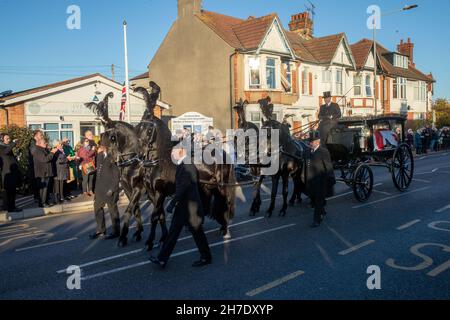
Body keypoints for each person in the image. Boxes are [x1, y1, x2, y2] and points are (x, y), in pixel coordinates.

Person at [149, 141, 212, 268]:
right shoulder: (183, 164)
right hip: (184, 207)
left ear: (181, 151)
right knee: (173, 232)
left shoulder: (187, 165)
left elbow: (183, 188)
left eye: (174, 151)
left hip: (191, 207)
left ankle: (206, 257)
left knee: (198, 233)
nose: (172, 153)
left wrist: (172, 204)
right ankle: (162, 259)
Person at [89, 144, 121, 240]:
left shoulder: (113, 157)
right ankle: (100, 230)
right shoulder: (99, 156)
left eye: (100, 146)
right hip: (100, 189)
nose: (98, 148)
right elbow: (99, 171)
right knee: (97, 208)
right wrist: (89, 169)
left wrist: (112, 189)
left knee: (113, 211)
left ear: (105, 147)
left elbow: (116, 175)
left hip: (110, 189)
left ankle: (116, 231)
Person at [305, 131, 335, 228]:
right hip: (310, 181)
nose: (310, 143)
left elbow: (328, 166)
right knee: (314, 200)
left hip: (321, 182)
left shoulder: (323, 152)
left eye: (312, 141)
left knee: (318, 201)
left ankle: (317, 220)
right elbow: (306, 166)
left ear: (318, 141)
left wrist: (330, 179)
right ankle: (322, 210)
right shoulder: (308, 152)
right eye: (309, 141)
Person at [31, 130, 58, 207]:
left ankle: (45, 201)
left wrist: (52, 152)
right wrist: (52, 153)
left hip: (46, 172)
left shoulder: (44, 149)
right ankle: (42, 203)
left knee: (46, 188)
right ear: (39, 143)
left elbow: (49, 158)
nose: (46, 144)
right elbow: (44, 159)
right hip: (41, 173)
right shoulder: (37, 150)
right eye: (44, 143)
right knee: (43, 189)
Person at [0, 134, 22, 212]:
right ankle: (10, 208)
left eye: (9, 138)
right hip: (7, 172)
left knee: (12, 191)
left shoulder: (7, 147)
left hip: (12, 172)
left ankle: (12, 206)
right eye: (7, 138)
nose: (9, 140)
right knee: (9, 192)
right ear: (2, 140)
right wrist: (13, 143)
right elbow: (6, 152)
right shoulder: (1, 147)